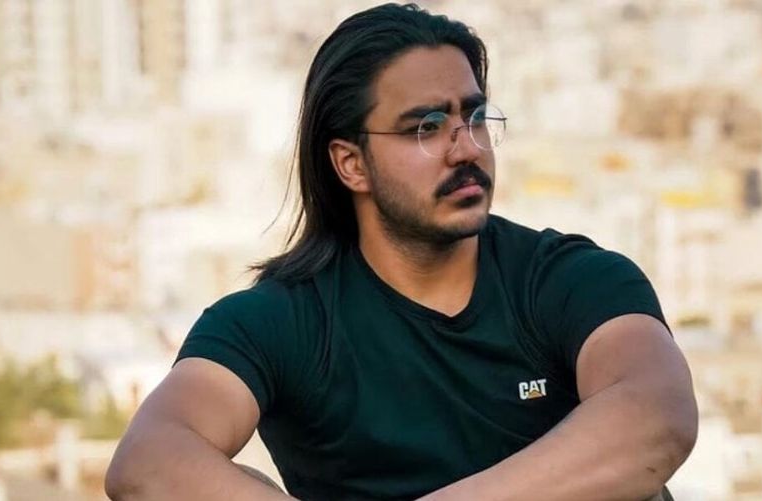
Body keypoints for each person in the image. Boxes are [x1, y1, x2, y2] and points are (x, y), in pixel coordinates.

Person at [105, 3, 698, 500]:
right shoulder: (284, 322)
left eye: (474, 117)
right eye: (425, 127)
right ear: (351, 164)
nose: (466, 149)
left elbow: (656, 417)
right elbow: (149, 462)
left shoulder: (568, 279)